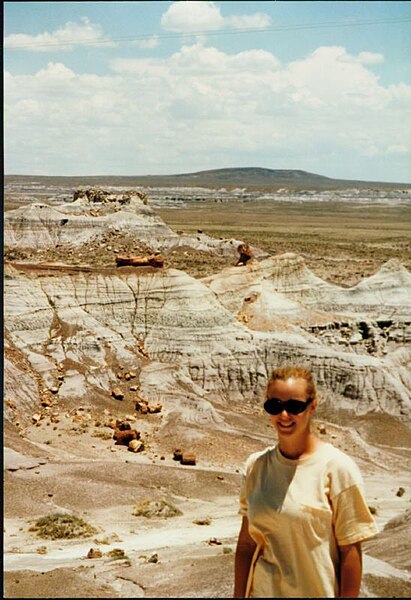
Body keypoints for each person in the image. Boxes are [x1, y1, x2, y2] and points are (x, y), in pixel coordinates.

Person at [234, 366, 378, 598]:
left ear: (312, 406)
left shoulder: (337, 468)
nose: (284, 415)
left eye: (294, 407)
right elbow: (246, 546)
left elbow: (350, 552)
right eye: (275, 406)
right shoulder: (256, 467)